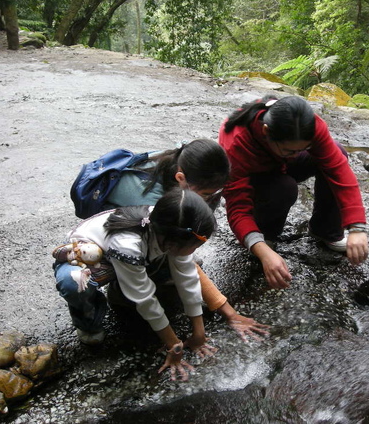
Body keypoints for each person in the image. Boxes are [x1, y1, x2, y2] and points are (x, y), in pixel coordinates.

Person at [102, 139, 269, 342]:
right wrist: (228, 312)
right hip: (113, 234)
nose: (210, 200)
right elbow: (182, 259)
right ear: (180, 178)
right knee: (163, 263)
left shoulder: (187, 167)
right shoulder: (154, 205)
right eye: (206, 195)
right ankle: (119, 291)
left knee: (178, 257)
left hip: (155, 228)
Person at [55, 189, 219, 381]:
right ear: (171, 241)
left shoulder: (170, 224)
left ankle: (122, 290)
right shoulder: (129, 244)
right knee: (74, 282)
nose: (195, 250)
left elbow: (188, 277)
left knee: (185, 264)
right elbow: (145, 299)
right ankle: (88, 322)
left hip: (135, 255)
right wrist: (174, 345)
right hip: (90, 257)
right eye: (195, 246)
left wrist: (199, 333)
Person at [219, 95, 369, 289]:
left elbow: (338, 169)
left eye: (304, 149)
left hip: (280, 163)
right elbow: (237, 207)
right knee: (284, 188)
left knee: (338, 151)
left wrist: (357, 227)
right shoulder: (235, 144)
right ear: (266, 131)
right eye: (290, 150)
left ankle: (325, 230)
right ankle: (266, 236)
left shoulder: (308, 126)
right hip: (260, 180)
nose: (298, 154)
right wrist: (262, 250)